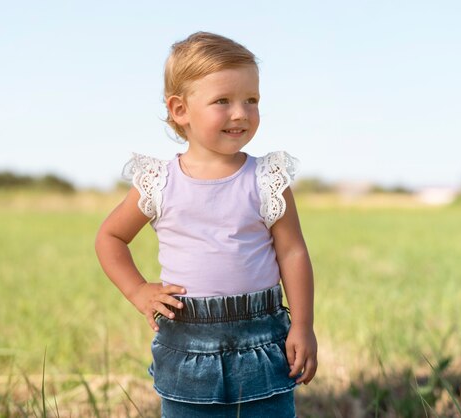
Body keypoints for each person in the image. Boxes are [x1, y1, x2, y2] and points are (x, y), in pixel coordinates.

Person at [95, 31, 317, 417]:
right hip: (187, 340)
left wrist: (303, 325)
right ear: (180, 110)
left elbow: (293, 251)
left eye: (252, 100)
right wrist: (139, 291)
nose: (241, 113)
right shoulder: (160, 182)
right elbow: (110, 237)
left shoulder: (266, 178)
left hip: (262, 337)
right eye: (222, 101)